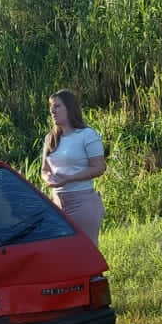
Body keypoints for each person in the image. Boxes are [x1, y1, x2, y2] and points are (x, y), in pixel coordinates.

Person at [40, 89, 107, 244]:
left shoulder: (87, 135)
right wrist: (48, 179)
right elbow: (44, 170)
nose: (52, 111)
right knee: (60, 253)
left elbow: (99, 167)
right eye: (51, 107)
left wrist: (69, 179)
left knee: (85, 252)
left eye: (57, 106)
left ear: (69, 108)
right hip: (57, 203)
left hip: (82, 202)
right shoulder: (50, 138)